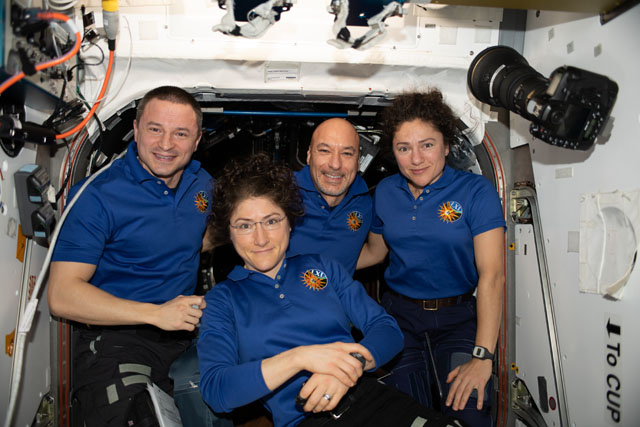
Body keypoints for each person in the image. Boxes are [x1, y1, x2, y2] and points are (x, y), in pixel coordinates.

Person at [197, 153, 465, 427]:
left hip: (372, 400)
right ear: (228, 233)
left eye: (272, 221)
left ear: (289, 222)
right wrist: (301, 357)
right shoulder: (222, 300)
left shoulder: (321, 266)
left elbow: (386, 328)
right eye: (244, 226)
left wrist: (347, 368)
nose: (261, 238)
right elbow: (218, 390)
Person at [48, 86, 228, 427]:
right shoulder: (96, 195)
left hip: (184, 333)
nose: (165, 144)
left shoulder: (201, 183)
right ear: (135, 129)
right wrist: (155, 314)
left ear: (197, 140)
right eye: (155, 129)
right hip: (119, 338)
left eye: (180, 134)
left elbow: (196, 238)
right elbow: (62, 295)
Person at [357, 90, 506, 427]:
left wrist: (483, 357)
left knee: (468, 414)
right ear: (393, 152)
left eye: (427, 144)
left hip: (457, 319)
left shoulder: (474, 191)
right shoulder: (385, 192)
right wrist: (315, 267)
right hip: (400, 318)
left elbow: (492, 275)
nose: (416, 158)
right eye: (404, 148)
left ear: (447, 145)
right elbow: (375, 253)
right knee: (408, 416)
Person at [288, 118, 371, 274]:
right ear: (308, 156)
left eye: (347, 153)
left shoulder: (366, 202)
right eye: (325, 151)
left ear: (358, 162)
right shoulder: (280, 192)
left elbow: (376, 253)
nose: (335, 164)